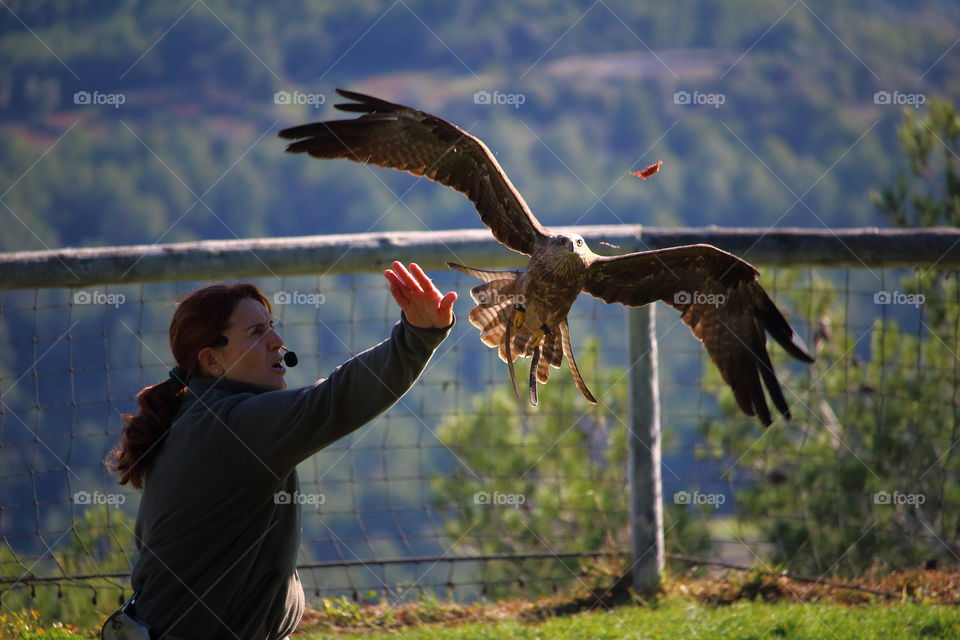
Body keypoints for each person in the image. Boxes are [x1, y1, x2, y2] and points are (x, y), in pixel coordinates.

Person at [105, 262, 456, 640]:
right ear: (212, 360)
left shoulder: (200, 418)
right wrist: (419, 335)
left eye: (272, 326)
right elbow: (334, 399)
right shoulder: (231, 428)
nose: (277, 341)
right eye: (256, 332)